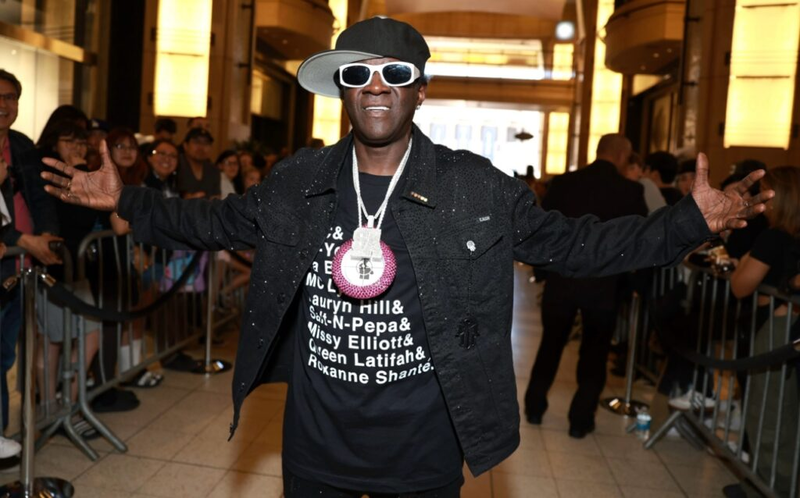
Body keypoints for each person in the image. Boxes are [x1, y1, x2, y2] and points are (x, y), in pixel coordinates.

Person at [41, 17, 772, 497]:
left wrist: (687, 222)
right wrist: (127, 199)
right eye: (358, 75)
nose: (376, 88)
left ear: (421, 90)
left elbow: (580, 244)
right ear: (342, 91)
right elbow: (211, 221)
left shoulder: (473, 187)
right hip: (316, 442)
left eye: (395, 74)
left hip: (424, 446)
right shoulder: (298, 181)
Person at [524, 134, 648, 438]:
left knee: (551, 344)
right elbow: (637, 239)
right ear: (622, 156)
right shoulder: (630, 190)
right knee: (595, 353)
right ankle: (580, 420)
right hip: (604, 285)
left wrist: (542, 272)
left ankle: (534, 407)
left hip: (562, 279)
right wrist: (630, 283)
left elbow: (543, 227)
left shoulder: (564, 183)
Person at [0, 70, 61, 461]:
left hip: (20, 265)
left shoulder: (20, 144)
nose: (4, 105)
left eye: (11, 97)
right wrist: (23, 241)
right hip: (12, 252)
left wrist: (48, 237)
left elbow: (40, 196)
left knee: (5, 353)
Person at [730, 165, 800, 497]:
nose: (762, 201)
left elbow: (740, 285)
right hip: (784, 326)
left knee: (768, 409)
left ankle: (769, 486)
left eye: (767, 194)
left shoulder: (773, 237)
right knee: (780, 410)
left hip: (776, 328)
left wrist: (744, 261)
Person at [176, 127, 220, 198]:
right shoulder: (175, 164)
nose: (201, 147)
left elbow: (216, 198)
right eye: (196, 142)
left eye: (206, 143)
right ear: (185, 145)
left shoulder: (213, 170)